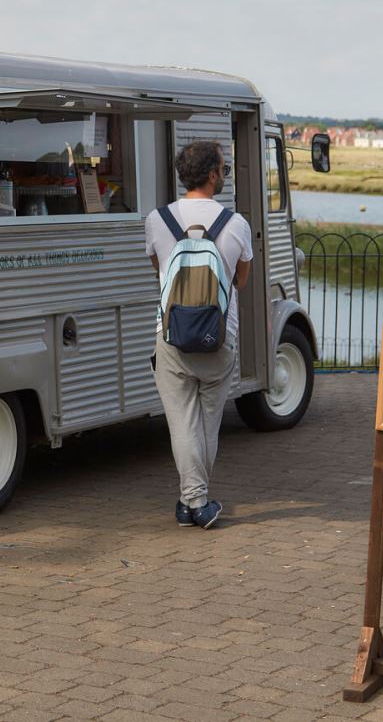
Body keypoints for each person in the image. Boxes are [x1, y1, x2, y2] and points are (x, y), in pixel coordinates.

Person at [144, 141, 253, 530]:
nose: (224, 175)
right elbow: (241, 280)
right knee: (206, 425)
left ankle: (190, 500)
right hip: (220, 337)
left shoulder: (157, 220)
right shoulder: (236, 224)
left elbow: (158, 270)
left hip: (170, 336)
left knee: (182, 425)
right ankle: (196, 502)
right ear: (211, 175)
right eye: (223, 169)